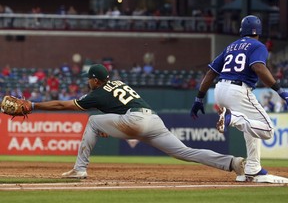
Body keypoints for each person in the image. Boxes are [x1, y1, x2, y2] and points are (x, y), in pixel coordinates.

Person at [31, 64, 244, 179]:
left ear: (95, 80)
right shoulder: (118, 83)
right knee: (185, 152)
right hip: (152, 119)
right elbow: (114, 108)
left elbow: (64, 106)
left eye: (90, 78)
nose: (88, 81)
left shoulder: (97, 92)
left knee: (93, 122)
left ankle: (79, 169)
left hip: (134, 119)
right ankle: (232, 163)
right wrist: (110, 127)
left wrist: (33, 106)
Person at [190, 15, 288, 182]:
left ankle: (253, 168)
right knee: (268, 130)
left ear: (242, 30)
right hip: (238, 90)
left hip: (220, 89)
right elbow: (258, 67)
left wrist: (199, 98)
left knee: (251, 127)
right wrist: (280, 90)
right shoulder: (258, 45)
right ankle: (232, 118)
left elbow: (211, 72)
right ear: (259, 31)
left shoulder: (231, 46)